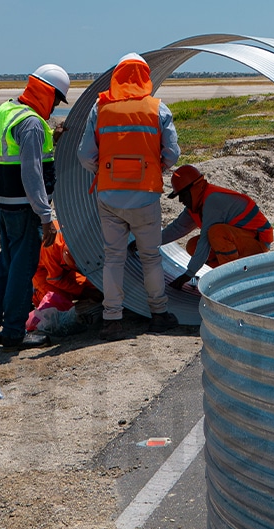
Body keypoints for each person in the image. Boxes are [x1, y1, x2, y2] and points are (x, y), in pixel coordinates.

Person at [77, 53, 181, 341]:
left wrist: (105, 170)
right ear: (145, 76)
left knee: (113, 258)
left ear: (117, 76)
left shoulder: (101, 108)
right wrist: (155, 166)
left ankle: (112, 321)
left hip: (109, 195)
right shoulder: (158, 109)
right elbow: (172, 153)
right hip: (145, 195)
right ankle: (159, 315)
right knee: (151, 258)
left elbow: (85, 154)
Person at [0, 63, 70, 351]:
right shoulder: (32, 124)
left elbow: (21, 151)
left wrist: (54, 136)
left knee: (6, 267)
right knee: (22, 271)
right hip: (23, 210)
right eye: (56, 99)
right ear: (48, 93)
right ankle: (14, 333)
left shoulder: (8, 111)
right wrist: (45, 215)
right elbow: (31, 173)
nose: (55, 106)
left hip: (3, 206)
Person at [152, 165, 273, 290]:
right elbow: (177, 228)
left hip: (258, 242)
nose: (181, 200)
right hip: (239, 240)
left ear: (195, 188)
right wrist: (149, 243)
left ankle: (232, 281)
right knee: (192, 245)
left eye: (183, 195)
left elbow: (205, 239)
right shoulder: (196, 205)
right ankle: (237, 275)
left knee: (215, 233)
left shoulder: (213, 200)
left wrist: (188, 274)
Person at [32, 220, 104, 306]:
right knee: (57, 301)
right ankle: (34, 293)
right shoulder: (51, 250)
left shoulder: (78, 236)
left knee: (95, 285)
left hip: (62, 268)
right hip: (42, 272)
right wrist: (84, 292)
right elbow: (55, 279)